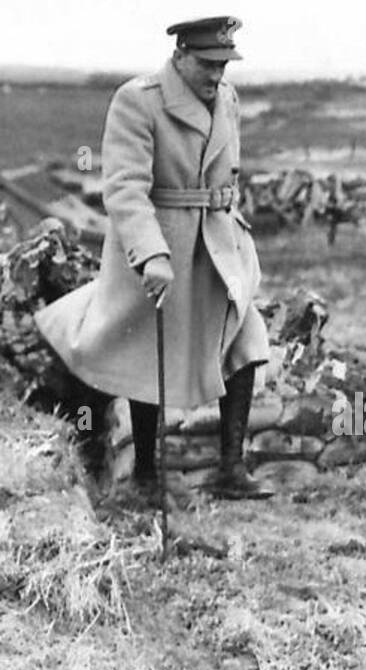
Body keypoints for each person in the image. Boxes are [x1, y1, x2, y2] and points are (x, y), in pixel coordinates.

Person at [34, 15, 273, 501]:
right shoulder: (137, 101)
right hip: (159, 246)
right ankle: (145, 475)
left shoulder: (227, 98)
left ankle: (232, 469)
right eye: (207, 63)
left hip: (216, 246)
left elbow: (227, 174)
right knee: (148, 354)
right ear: (180, 55)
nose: (217, 75)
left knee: (247, 339)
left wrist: (235, 227)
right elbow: (124, 190)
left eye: (224, 63)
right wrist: (151, 256)